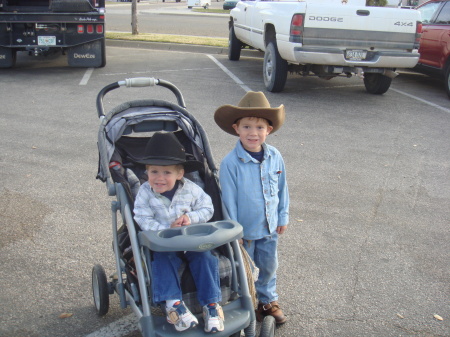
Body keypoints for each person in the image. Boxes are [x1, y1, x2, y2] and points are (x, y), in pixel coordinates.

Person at [133, 132, 225, 333]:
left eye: (167, 173)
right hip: (163, 243)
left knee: (205, 257)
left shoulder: (192, 190)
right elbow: (141, 218)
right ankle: (173, 305)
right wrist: (164, 230)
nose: (159, 178)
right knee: (162, 261)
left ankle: (211, 305)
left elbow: (208, 209)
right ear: (146, 172)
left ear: (179, 174)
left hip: (190, 240)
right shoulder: (145, 193)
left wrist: (190, 218)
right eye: (154, 172)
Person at [214, 91, 289, 324]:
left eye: (259, 127)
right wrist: (234, 232)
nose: (253, 133)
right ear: (236, 128)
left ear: (269, 130)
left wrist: (282, 216)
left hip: (269, 228)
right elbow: (228, 200)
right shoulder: (230, 163)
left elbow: (282, 189)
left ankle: (267, 301)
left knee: (268, 267)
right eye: (246, 127)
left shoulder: (275, 156)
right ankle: (247, 302)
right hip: (244, 232)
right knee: (244, 270)